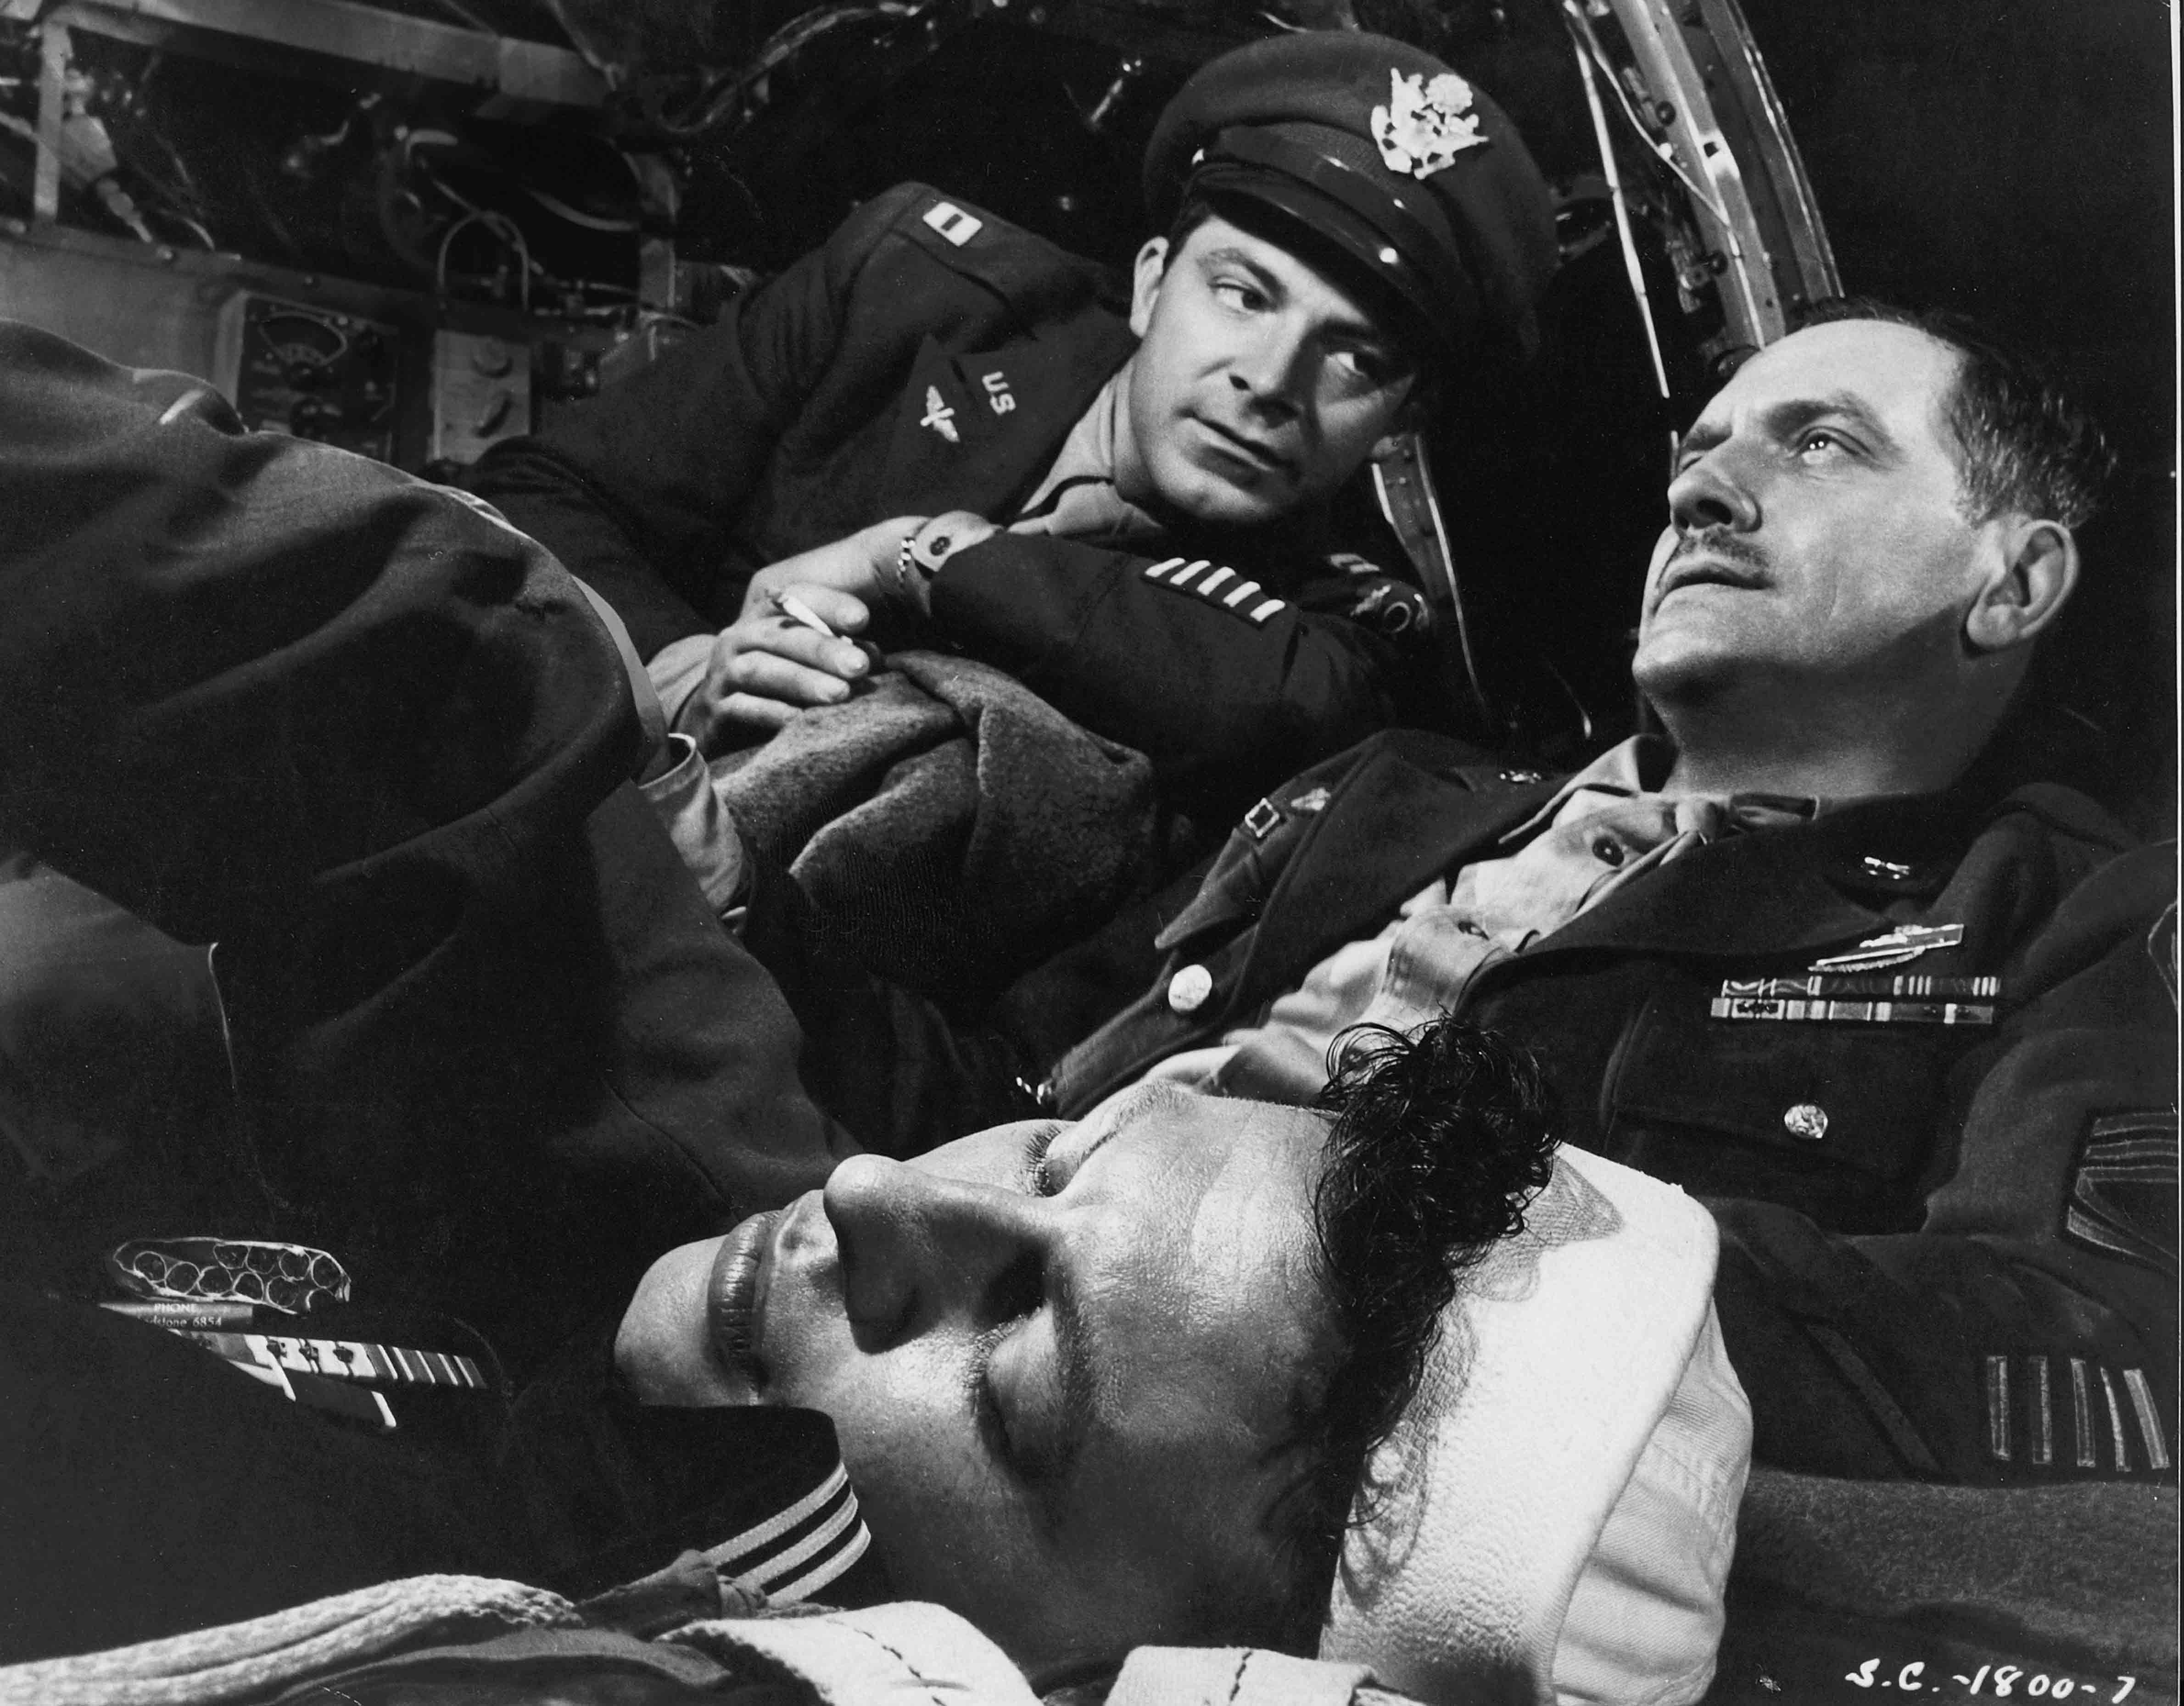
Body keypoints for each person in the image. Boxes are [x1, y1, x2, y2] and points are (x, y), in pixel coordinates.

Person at [0, 321, 1747, 1701]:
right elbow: (446, 689)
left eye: (1015, 1374)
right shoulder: (711, 1181)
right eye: (1055, 1162)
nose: (873, 1198)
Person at [750, 299, 2179, 1486]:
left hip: (1236, 1482)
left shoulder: (2067, 913)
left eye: (1820, 445)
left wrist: (1410, 1246)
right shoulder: (1390, 791)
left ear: (2013, 582)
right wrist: (738, 900)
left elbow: (2108, 1350)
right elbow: (1010, 1097)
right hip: (913, 1276)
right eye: (1699, 451)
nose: (1697, 491)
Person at [464, 31, 1558, 834]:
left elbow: (1281, 711)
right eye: (1243, 294)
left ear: (1399, 420)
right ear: (1151, 283)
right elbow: (544, 494)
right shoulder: (908, 289)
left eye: (1355, 358)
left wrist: (914, 555)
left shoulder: (1346, 616)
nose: (1271, 381)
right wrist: (682, 674)